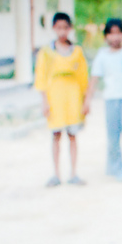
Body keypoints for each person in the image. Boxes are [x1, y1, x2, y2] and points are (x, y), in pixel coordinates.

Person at [34, 12, 88, 187]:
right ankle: (56, 174)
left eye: (65, 28)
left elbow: (83, 77)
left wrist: (85, 100)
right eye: (59, 28)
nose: (62, 31)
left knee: (72, 135)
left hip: (73, 96)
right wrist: (45, 101)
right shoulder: (47, 52)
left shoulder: (77, 52)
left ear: (70, 29)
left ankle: (73, 173)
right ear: (54, 29)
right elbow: (41, 77)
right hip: (55, 96)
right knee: (56, 135)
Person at [88, 18, 122, 181]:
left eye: (118, 33)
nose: (115, 37)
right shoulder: (102, 55)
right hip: (111, 100)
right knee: (112, 137)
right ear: (106, 36)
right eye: (111, 34)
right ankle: (114, 168)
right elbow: (94, 78)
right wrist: (87, 101)